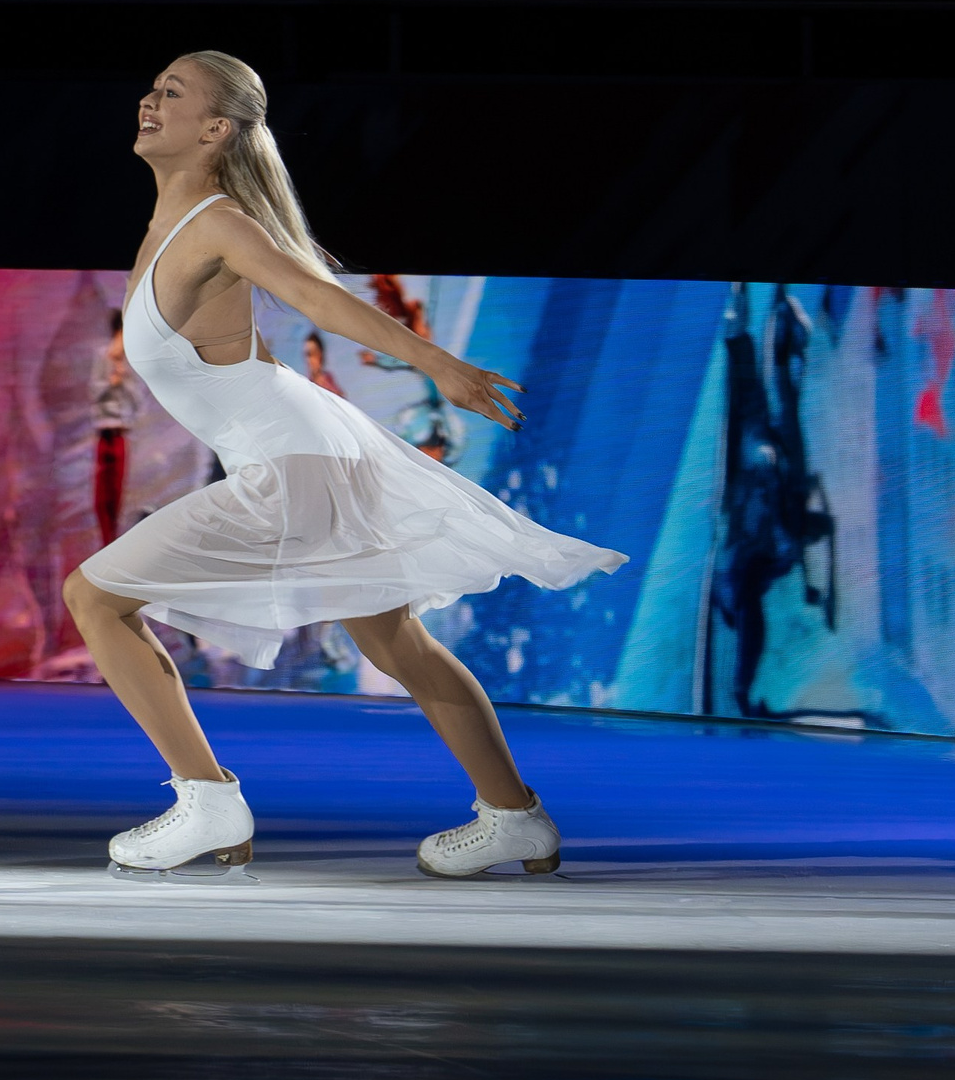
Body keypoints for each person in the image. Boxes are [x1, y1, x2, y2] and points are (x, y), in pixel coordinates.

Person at [63, 53, 624, 880]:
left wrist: (438, 365)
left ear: (216, 130)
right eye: (152, 87)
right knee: (398, 641)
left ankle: (208, 800)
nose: (150, 98)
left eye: (173, 93)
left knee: (95, 599)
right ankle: (515, 817)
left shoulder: (217, 222)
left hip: (290, 460)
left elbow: (318, 299)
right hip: (309, 446)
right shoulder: (177, 225)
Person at [92, 310, 138, 544]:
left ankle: (115, 541)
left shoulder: (130, 359)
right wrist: (110, 382)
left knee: (119, 494)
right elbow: (93, 393)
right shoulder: (103, 357)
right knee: (101, 496)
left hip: (121, 431)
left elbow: (137, 399)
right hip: (103, 431)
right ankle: (103, 540)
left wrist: (124, 378)